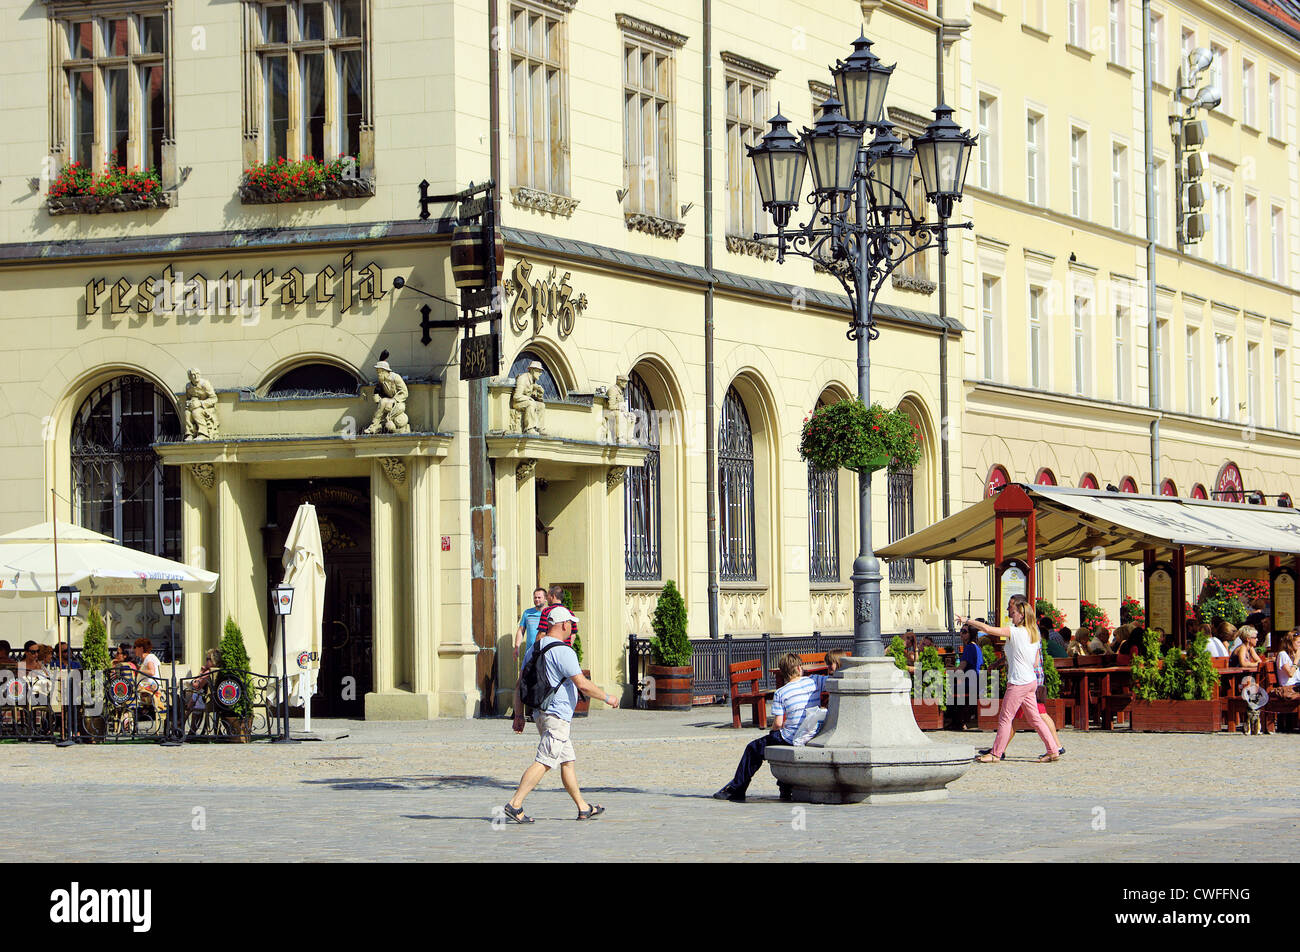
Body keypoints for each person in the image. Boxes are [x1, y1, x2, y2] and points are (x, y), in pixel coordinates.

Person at [502, 602, 619, 823]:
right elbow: (582, 684)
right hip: (556, 717)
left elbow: (519, 685)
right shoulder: (563, 651)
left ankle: (583, 807)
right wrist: (607, 697)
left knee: (567, 761)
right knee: (545, 761)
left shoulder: (533, 649)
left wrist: (519, 715)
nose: (572, 629)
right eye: (571, 625)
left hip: (541, 714)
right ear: (564, 624)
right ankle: (515, 804)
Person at [958, 593, 1060, 764]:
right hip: (1030, 681)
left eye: (1013, 613)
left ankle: (995, 754)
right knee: (1035, 718)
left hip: (1018, 682)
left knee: (1005, 718)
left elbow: (989, 630)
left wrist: (967, 620)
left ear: (1021, 615)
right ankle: (1053, 750)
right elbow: (1035, 662)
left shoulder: (1016, 632)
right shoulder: (1034, 634)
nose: (1010, 615)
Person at [714, 653, 828, 802]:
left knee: (753, 748)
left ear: (783, 672)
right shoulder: (815, 681)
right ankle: (784, 786)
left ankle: (737, 788)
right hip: (813, 733)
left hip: (791, 737)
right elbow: (833, 681)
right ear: (800, 668)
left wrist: (773, 731)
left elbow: (779, 723)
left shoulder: (781, 693)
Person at [789, 650, 848, 746]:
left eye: (830, 664)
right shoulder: (830, 678)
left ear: (839, 663)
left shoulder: (841, 679)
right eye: (827, 664)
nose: (827, 667)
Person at [949, 624, 983, 730]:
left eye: (964, 631)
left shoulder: (969, 647)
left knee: (948, 689)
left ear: (970, 634)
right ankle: (961, 720)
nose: (961, 634)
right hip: (977, 681)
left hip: (971, 682)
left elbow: (960, 669)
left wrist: (946, 669)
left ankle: (957, 721)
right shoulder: (976, 647)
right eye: (961, 631)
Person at [513, 588, 547, 662]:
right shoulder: (527, 613)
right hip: (530, 653)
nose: (537, 599)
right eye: (535, 597)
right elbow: (521, 630)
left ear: (545, 599)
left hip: (545, 653)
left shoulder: (550, 613)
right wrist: (516, 647)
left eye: (539, 597)